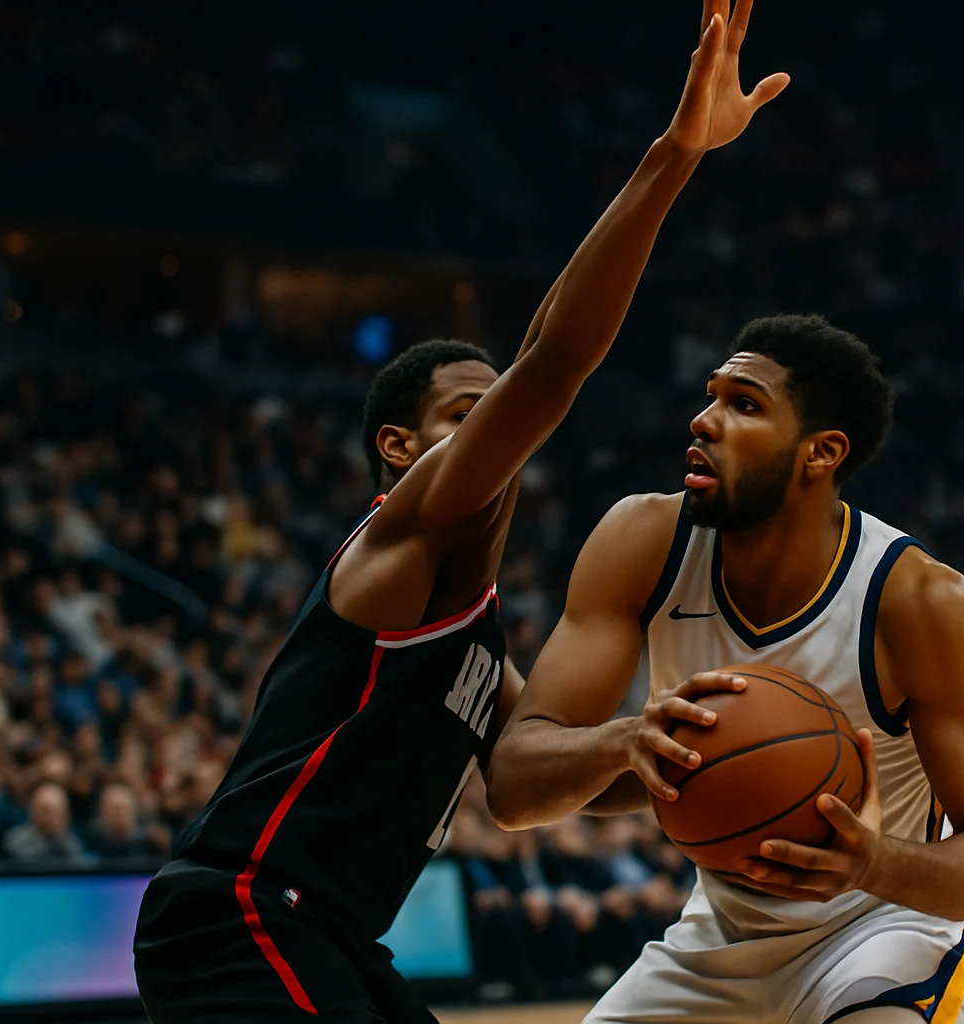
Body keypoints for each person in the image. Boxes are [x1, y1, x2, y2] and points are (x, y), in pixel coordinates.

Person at [131, 4, 789, 1019]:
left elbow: (528, 782)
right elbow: (555, 361)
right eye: (465, 413)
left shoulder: (470, 628)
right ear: (399, 445)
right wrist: (674, 155)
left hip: (331, 931)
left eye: (496, 413)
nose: (496, 428)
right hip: (244, 917)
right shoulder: (400, 537)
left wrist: (657, 748)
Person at [489, 313, 964, 1024]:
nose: (703, 421)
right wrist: (623, 743)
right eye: (711, 396)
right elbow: (515, 787)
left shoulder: (921, 601)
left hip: (889, 928)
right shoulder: (641, 541)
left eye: (743, 404)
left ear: (821, 452)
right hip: (720, 937)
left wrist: (871, 863)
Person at [2, 781, 92, 866]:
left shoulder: (73, 842)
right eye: (46, 810)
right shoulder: (16, 840)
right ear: (33, 811)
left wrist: (57, 836)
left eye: (57, 810)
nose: (51, 816)